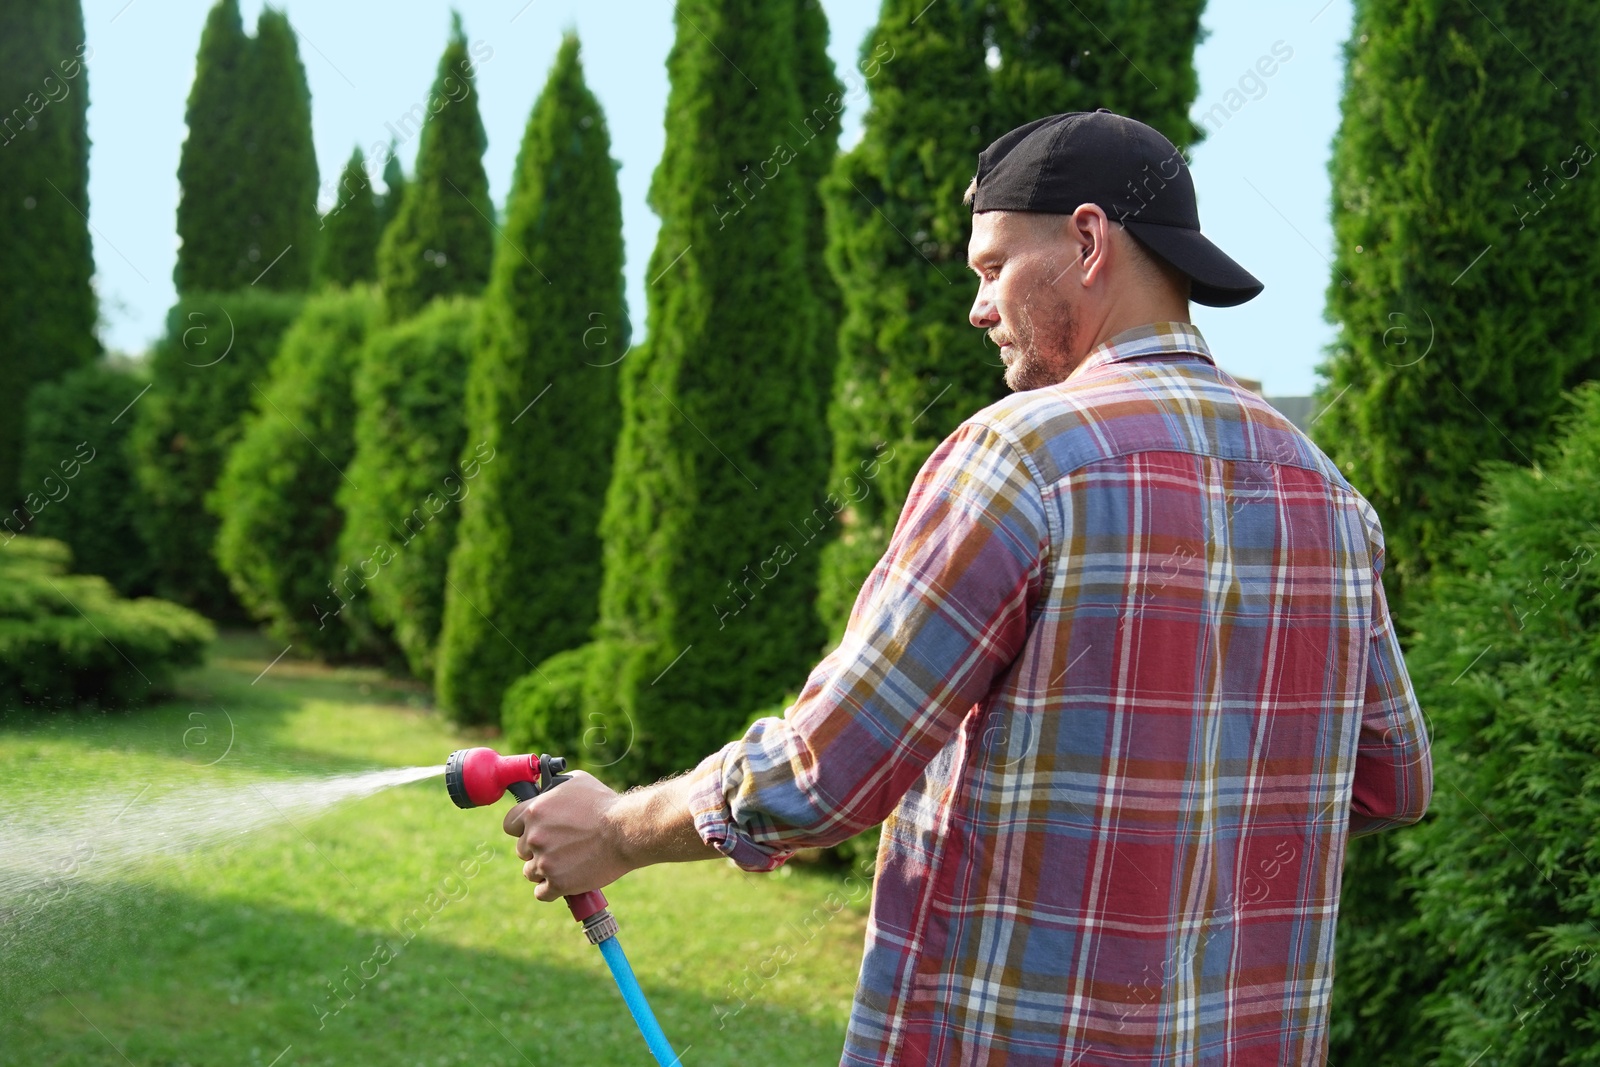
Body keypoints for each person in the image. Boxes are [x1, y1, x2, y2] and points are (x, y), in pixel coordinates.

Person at [503, 109, 1433, 1066]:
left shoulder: (1023, 455)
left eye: (992, 269)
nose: (978, 309)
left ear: (1086, 240)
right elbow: (1395, 778)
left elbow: (829, 771)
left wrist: (617, 827)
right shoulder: (1329, 496)